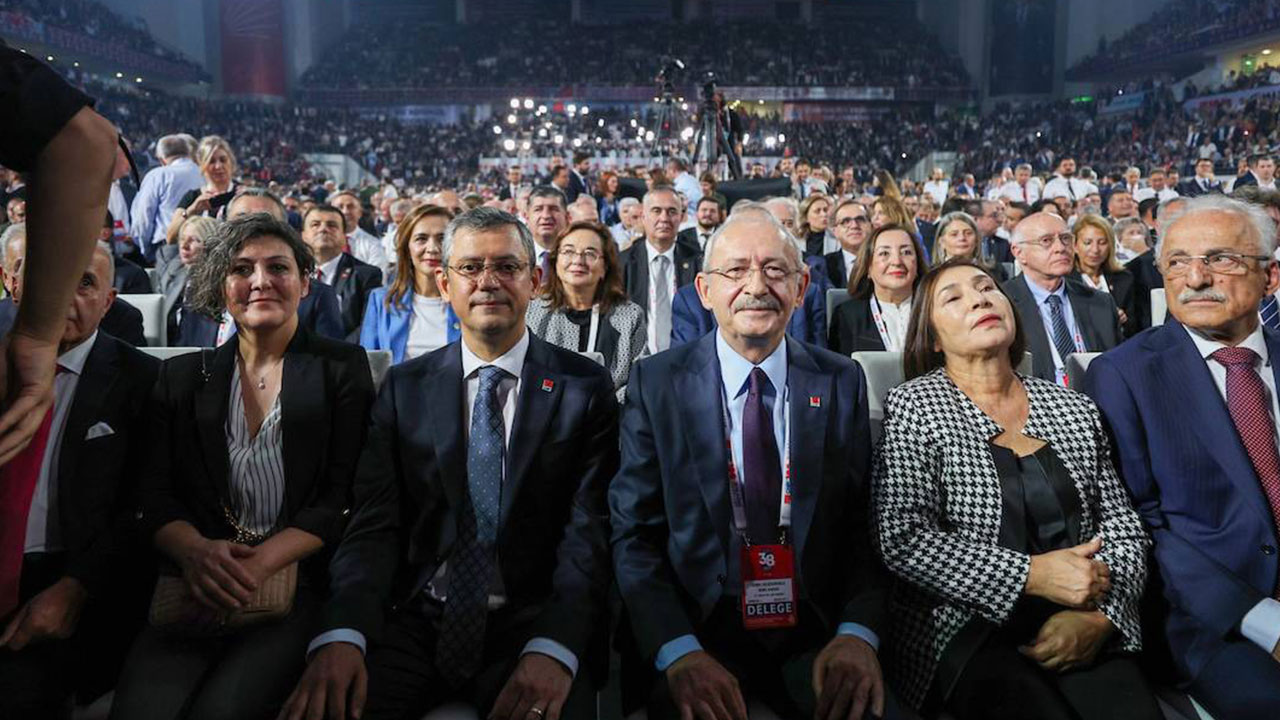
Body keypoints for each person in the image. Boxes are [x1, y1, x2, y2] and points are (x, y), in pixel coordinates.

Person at [283, 207, 618, 720]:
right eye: (470, 268)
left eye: (506, 267)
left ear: (535, 279)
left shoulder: (582, 388)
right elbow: (374, 526)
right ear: (443, 282)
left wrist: (555, 645)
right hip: (413, 620)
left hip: (529, 623)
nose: (488, 282)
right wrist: (343, 633)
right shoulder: (404, 386)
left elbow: (587, 535)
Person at [611, 205, 896, 720]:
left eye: (774, 269)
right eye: (736, 270)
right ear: (704, 290)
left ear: (803, 285)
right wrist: (679, 651)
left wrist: (857, 635)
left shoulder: (840, 380)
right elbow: (633, 535)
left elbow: (864, 524)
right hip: (698, 630)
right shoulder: (657, 382)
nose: (756, 285)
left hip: (815, 633)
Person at [111, 214, 375, 720]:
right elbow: (151, 492)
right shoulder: (181, 377)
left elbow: (343, 496)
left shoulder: (342, 369)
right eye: (241, 269)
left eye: (278, 267)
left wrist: (261, 562)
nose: (260, 282)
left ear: (304, 280)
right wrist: (195, 552)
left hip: (295, 587)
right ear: (220, 284)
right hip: (194, 583)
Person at [873, 258, 1158, 719]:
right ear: (932, 336)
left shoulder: (1073, 407)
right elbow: (904, 539)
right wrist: (1031, 575)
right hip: (969, 627)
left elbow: (1124, 530)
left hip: (1081, 609)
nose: (980, 298)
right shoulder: (915, 405)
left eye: (986, 287)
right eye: (954, 297)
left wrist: (1102, 617)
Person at [1087, 195, 1280, 719]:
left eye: (1219, 259)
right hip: (1215, 619)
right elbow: (1142, 525)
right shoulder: (1123, 374)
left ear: (1271, 276)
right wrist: (1266, 620)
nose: (1194, 278)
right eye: (1176, 262)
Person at [0, 245, 160, 719]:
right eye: (50, 273)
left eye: (85, 282)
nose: (65, 293)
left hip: (63, 585)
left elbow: (143, 507)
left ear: (108, 302)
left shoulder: (143, 381)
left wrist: (76, 588)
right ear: (11, 282)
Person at [179, 191, 346, 345]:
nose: (253, 228)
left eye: (265, 220)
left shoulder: (318, 296)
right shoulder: (199, 292)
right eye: (241, 219)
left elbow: (330, 365)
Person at [527, 221, 646, 396]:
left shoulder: (629, 316)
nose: (578, 260)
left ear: (605, 267)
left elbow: (638, 381)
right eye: (568, 251)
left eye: (590, 253)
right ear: (555, 261)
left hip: (610, 417)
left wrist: (601, 409)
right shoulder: (534, 310)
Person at [1004, 213, 1123, 385]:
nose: (1060, 247)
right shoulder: (1003, 303)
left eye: (1065, 238)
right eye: (1046, 241)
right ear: (1019, 252)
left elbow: (1117, 366)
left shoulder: (1100, 302)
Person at [359, 204, 461, 363]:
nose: (432, 248)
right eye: (421, 239)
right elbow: (368, 368)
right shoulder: (382, 301)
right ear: (407, 247)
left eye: (442, 239)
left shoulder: (470, 301)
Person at [621, 186, 702, 355]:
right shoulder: (622, 263)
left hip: (687, 359)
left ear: (681, 217)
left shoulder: (698, 262)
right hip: (636, 361)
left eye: (672, 211)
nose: (664, 218)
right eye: (656, 211)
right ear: (643, 217)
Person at [829, 224, 928, 355]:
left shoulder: (933, 311)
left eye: (906, 252)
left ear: (918, 264)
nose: (897, 261)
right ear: (868, 267)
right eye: (884, 253)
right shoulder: (847, 316)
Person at [301, 204, 383, 340]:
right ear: (303, 235)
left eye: (332, 225)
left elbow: (369, 324)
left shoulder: (366, 275)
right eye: (315, 224)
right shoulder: (290, 274)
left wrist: (338, 351)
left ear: (344, 236)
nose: (323, 229)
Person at [130, 135, 205, 265]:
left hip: (168, 248)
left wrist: (145, 250)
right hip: (202, 246)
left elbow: (143, 218)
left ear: (161, 159)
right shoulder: (204, 173)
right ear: (188, 152)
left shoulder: (158, 175)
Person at [1072, 214, 1142, 338]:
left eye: (1102, 243)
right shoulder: (1066, 280)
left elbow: (1136, 326)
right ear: (1075, 246)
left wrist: (1123, 320)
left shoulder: (1124, 278)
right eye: (1088, 243)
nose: (1095, 250)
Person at [161, 136, 238, 247]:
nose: (218, 166)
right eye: (211, 161)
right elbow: (170, 238)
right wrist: (192, 210)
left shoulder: (241, 194)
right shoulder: (193, 196)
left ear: (231, 162)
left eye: (223, 160)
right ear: (201, 165)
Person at [158, 215, 217, 347]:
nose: (184, 246)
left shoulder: (217, 281)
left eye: (194, 240)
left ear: (211, 245)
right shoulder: (174, 270)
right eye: (182, 239)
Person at [330, 190, 390, 270]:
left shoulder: (373, 245)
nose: (345, 212)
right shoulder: (319, 243)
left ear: (360, 213)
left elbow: (377, 278)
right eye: (340, 207)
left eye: (350, 207)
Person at [824, 199, 872, 289]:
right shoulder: (824, 266)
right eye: (845, 221)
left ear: (871, 226)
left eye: (860, 220)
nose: (854, 226)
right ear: (835, 232)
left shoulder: (884, 261)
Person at [528, 185, 570, 272]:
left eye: (554, 209)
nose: (546, 216)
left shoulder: (578, 256)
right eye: (538, 209)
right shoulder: (516, 255)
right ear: (527, 216)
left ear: (567, 216)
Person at [799, 194, 832, 258]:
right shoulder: (797, 240)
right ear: (806, 217)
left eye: (825, 210)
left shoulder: (836, 238)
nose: (824, 214)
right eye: (817, 211)